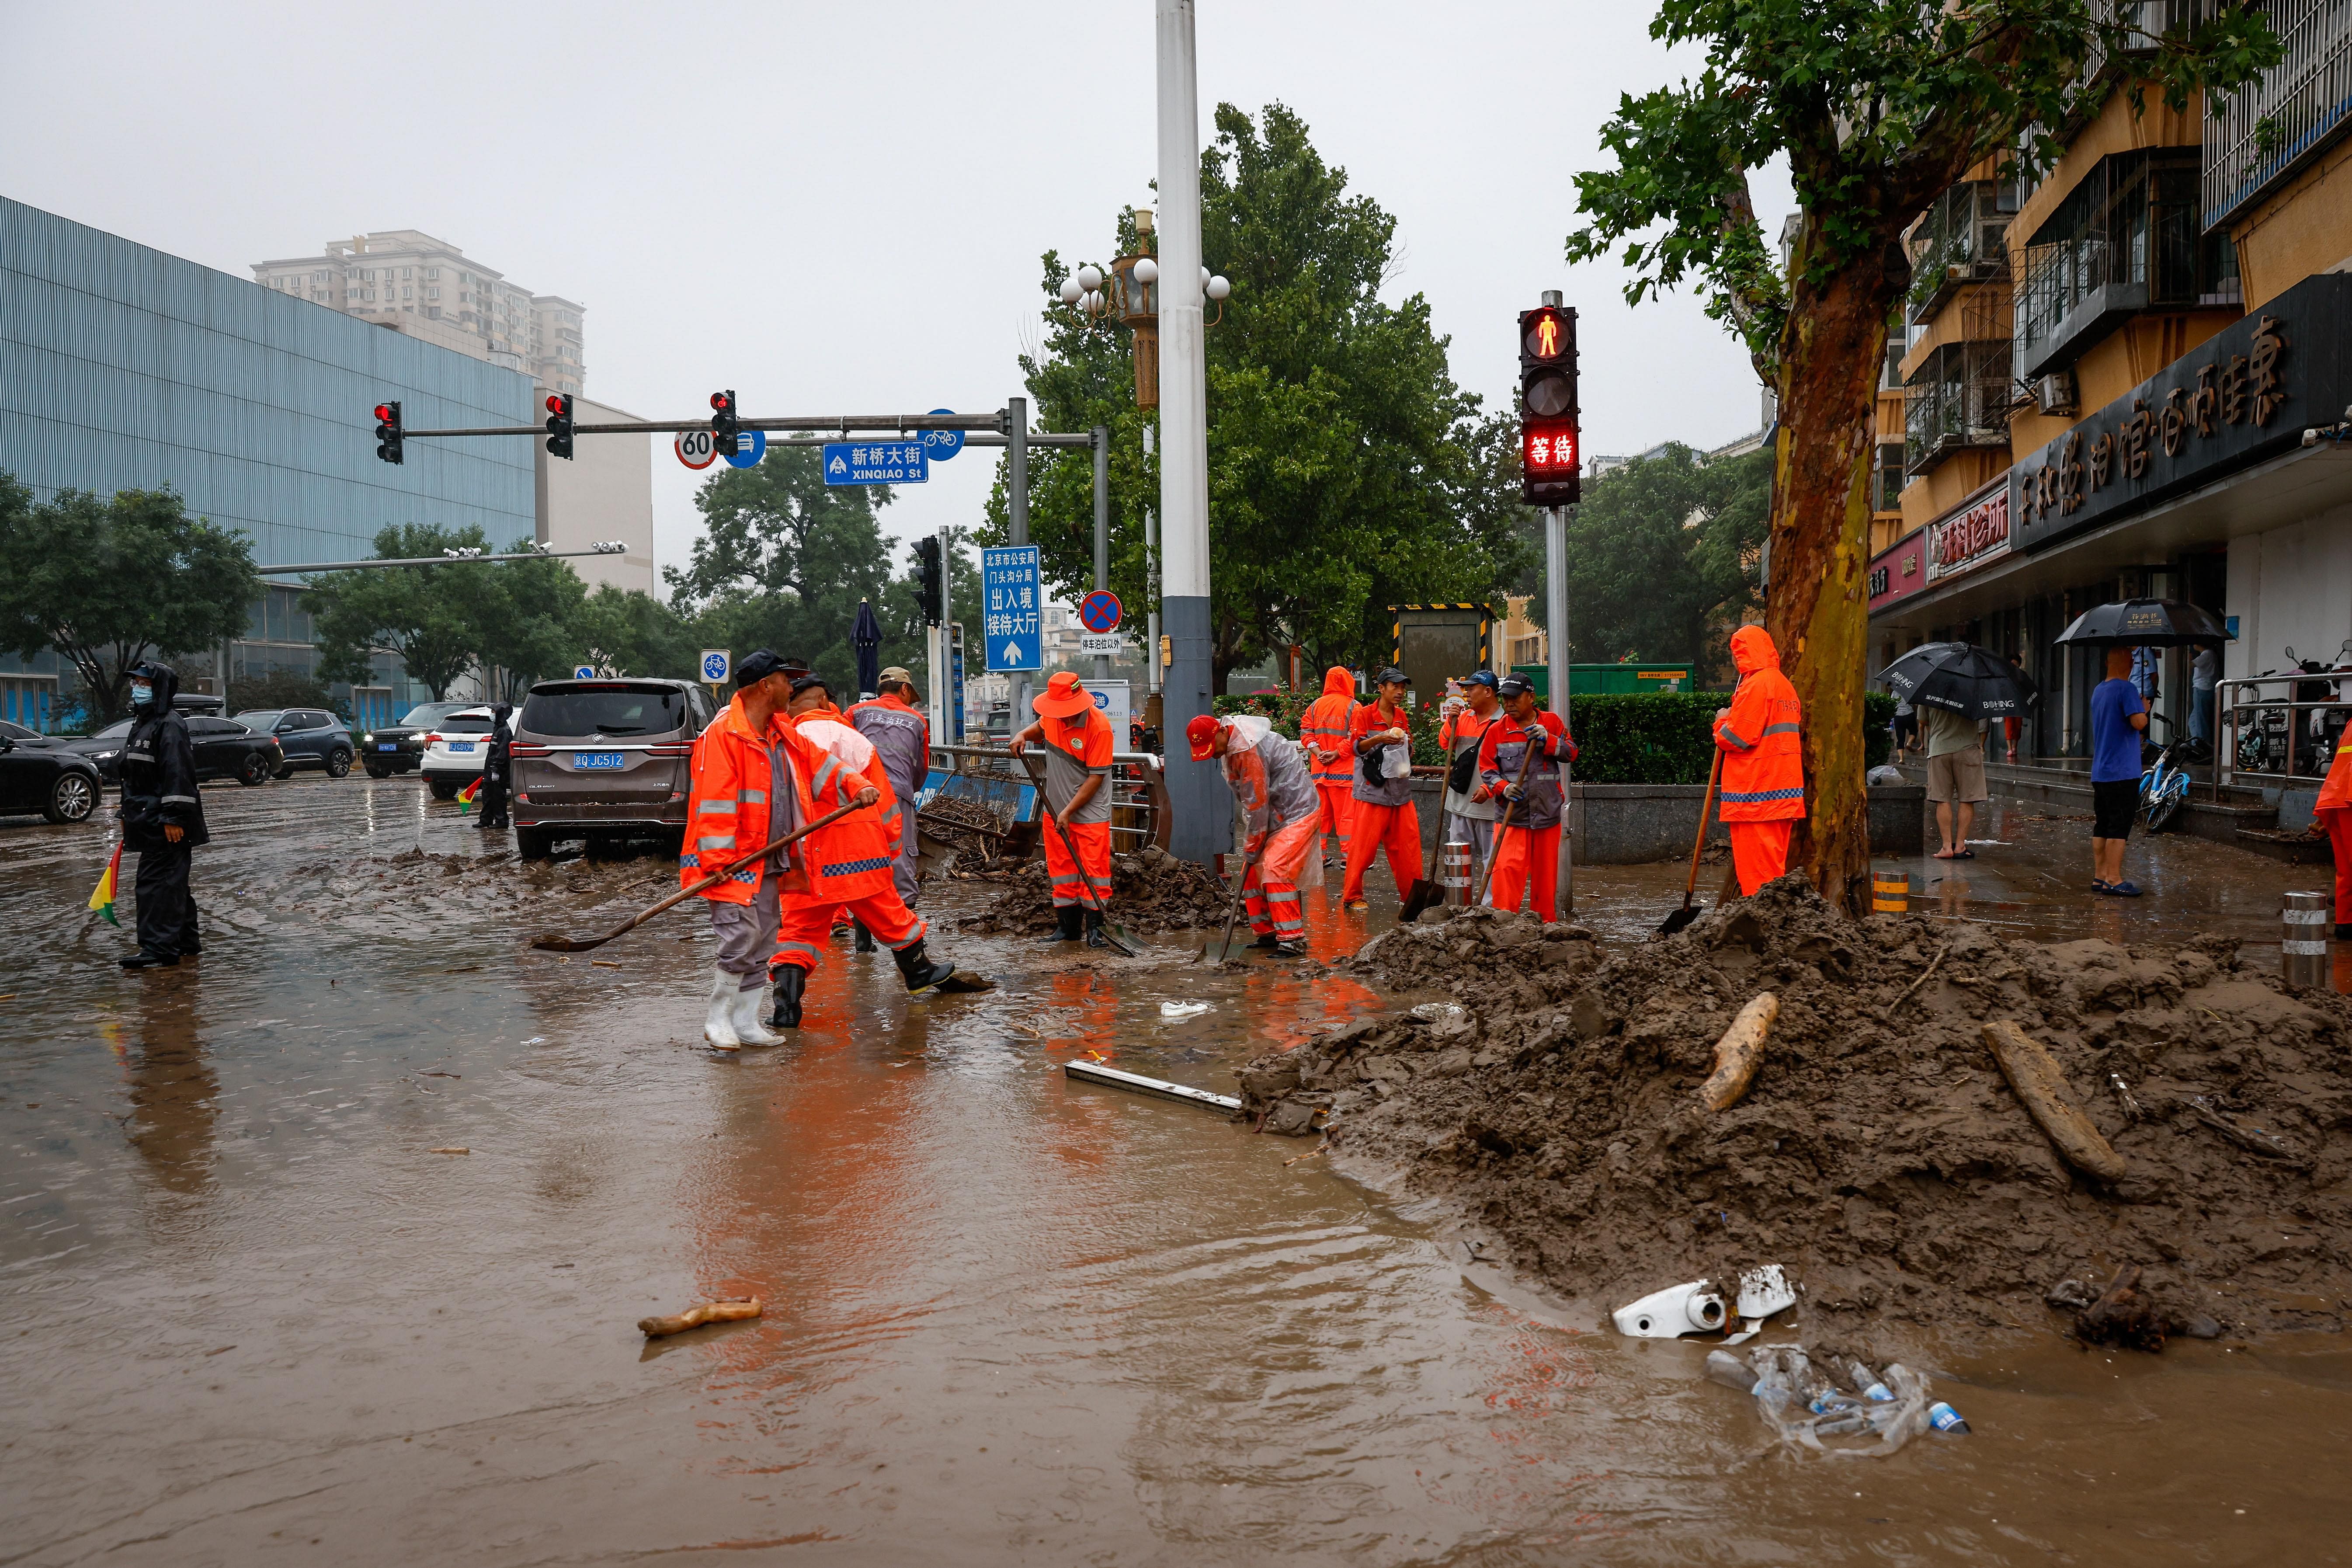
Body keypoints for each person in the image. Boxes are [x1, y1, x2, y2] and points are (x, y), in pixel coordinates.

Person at [784, 675, 900, 956]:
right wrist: (892, 846)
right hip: (862, 852)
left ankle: (787, 994)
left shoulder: (784, 744)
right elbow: (885, 804)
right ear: (826, 701)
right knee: (891, 918)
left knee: (798, 931)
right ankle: (917, 969)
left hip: (806, 854)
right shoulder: (856, 741)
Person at [1188, 712, 1316, 956]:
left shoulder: (1248, 750)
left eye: (1211, 747)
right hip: (1275, 813)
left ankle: (1292, 939)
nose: (1212, 755)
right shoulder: (1233, 743)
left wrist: (1253, 842)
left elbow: (1257, 803)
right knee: (1251, 873)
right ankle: (1267, 932)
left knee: (1276, 869)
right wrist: (1254, 845)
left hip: (1296, 812)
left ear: (1221, 733)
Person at [1010, 671, 1117, 947]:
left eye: (1067, 711)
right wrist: (1022, 734)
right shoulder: (1053, 719)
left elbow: (1096, 777)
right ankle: (1068, 928)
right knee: (1062, 869)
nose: (1063, 717)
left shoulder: (1099, 728)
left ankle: (1096, 929)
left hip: (1089, 814)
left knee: (1094, 871)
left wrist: (1068, 812)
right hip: (1055, 809)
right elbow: (1040, 727)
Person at [116, 661, 207, 969]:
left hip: (165, 823)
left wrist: (173, 817)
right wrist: (125, 812)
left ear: (159, 688)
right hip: (148, 819)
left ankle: (159, 949)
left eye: (143, 683)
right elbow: (137, 776)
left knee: (157, 885)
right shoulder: (144, 724)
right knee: (172, 883)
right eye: (135, 683)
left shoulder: (169, 724)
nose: (136, 688)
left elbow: (178, 774)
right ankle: (184, 942)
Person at [1712, 626, 1806, 896]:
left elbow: (1736, 737)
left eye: (1734, 652)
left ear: (1743, 653)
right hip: (1780, 793)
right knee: (1773, 869)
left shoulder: (1756, 686)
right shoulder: (1782, 685)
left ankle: (1762, 925)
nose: (1733, 659)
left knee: (1756, 874)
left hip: (1755, 795)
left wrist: (1722, 719)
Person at [1476, 674, 1576, 921]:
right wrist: (1502, 787)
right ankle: (1504, 924)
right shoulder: (1497, 731)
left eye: (1515, 698)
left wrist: (1550, 740)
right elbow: (1487, 768)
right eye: (1505, 698)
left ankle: (1545, 925)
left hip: (1547, 814)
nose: (1509, 704)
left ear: (1531, 697)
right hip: (1512, 818)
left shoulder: (1551, 723)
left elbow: (1571, 753)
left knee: (1545, 877)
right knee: (1507, 872)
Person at [849, 666, 931, 912]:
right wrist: (910, 791)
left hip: (858, 794)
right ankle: (909, 933)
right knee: (902, 854)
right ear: (904, 689)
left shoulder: (855, 712)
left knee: (861, 855)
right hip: (898, 793)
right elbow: (921, 767)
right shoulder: (917, 720)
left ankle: (863, 940)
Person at [1341, 667, 1422, 911]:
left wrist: (1407, 746)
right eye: (1395, 687)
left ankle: (1411, 896)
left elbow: (1409, 747)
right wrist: (1380, 738)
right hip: (1373, 791)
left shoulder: (1401, 717)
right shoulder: (1364, 715)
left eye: (1403, 687)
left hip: (1400, 790)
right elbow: (1356, 748)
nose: (1400, 692)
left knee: (1409, 846)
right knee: (1363, 848)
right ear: (1381, 689)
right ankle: (1352, 896)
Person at [2089, 644, 2149, 896]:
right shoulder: (2127, 689)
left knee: (2102, 824)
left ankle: (2100, 876)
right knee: (2119, 826)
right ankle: (2114, 878)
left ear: (2107, 664)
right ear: (2131, 666)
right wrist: (2144, 709)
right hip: (2123, 771)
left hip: (2101, 770)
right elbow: (2138, 723)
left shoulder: (2098, 690)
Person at [1438, 671, 1503, 873]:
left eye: (1472, 688)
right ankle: (1460, 903)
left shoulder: (1504, 722)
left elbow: (1511, 765)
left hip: (1490, 809)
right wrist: (1451, 722)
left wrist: (1489, 788)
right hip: (1460, 804)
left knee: (1492, 863)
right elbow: (1444, 744)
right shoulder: (1463, 718)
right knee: (1459, 861)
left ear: (1488, 692)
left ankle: (1489, 905)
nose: (1467, 693)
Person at [1299, 666, 1359, 873]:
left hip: (1319, 771)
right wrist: (1336, 753)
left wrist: (1319, 753)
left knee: (1321, 818)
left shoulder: (1315, 706)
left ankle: (1319, 857)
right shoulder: (1354, 706)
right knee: (1347, 817)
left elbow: (1306, 733)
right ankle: (1349, 858)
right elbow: (1355, 737)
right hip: (1344, 773)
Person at [1922, 702, 1988, 860]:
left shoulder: (1930, 689)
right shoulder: (1975, 692)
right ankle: (1960, 846)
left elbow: (1924, 721)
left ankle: (1946, 847)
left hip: (1939, 749)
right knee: (1967, 799)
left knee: (1942, 799)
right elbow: (1982, 724)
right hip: (1968, 750)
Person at [2316, 717, 2352, 939]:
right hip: (2345, 798)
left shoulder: (2350, 725)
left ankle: (2346, 923)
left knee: (2346, 868)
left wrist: (2321, 815)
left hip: (2339, 800)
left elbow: (2339, 766)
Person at [476, 702, 513, 830]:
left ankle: (501, 821)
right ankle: (486, 820)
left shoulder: (504, 731)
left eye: (494, 712)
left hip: (498, 770)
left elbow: (502, 752)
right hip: (490, 769)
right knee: (487, 795)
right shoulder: (497, 728)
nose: (491, 715)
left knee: (498, 797)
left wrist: (496, 770)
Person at [2190, 641, 2220, 758]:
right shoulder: (2209, 655)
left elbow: (2191, 665)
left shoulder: (2207, 654)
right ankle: (2196, 744)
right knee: (2193, 721)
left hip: (2202, 689)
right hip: (2206, 688)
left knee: (2201, 721)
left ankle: (2203, 749)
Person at [2003, 653, 2025, 764]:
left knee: (2018, 726)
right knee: (2009, 726)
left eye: (2016, 663)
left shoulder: (2022, 676)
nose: (2014, 665)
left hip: (2019, 704)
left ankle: (2015, 746)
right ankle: (2009, 748)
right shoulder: (2005, 676)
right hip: (2008, 703)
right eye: (2013, 663)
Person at [1891, 695, 1918, 761]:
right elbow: (1915, 703)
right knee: (1914, 731)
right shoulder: (1909, 690)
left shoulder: (1895, 692)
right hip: (1909, 714)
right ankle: (1909, 743)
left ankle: (1901, 759)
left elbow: (1892, 703)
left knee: (1900, 738)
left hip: (1898, 716)